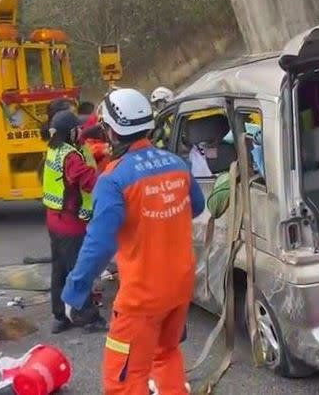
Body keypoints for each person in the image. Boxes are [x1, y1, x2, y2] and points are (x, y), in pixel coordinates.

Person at [62, 88, 205, 395]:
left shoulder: (113, 179)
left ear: (111, 132)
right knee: (166, 356)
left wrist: (75, 291)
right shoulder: (176, 164)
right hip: (179, 287)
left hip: (141, 298)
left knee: (124, 382)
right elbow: (198, 206)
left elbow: (99, 244)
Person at [42, 110, 107, 334]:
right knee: (80, 269)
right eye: (77, 129)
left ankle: (60, 316)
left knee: (59, 269)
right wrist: (114, 178)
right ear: (70, 132)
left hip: (54, 219)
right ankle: (87, 316)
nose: (80, 131)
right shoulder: (71, 156)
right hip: (70, 222)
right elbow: (89, 181)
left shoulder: (54, 149)